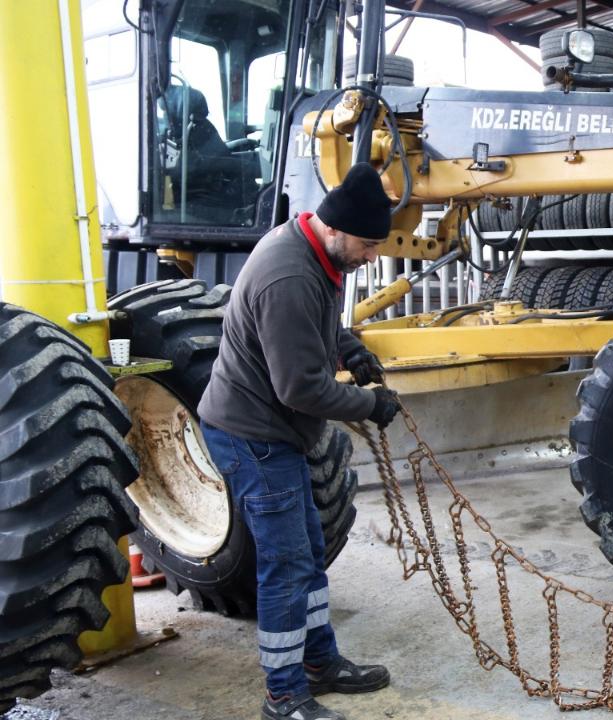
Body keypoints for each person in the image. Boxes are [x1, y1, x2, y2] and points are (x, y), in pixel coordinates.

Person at [198, 162, 401, 720]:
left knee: (307, 554)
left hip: (272, 431)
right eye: (367, 245)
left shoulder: (313, 251)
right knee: (287, 566)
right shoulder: (288, 274)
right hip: (254, 436)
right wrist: (371, 404)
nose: (371, 257)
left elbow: (317, 318)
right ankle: (284, 697)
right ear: (335, 229)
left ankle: (319, 663)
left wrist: (347, 346)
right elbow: (301, 390)